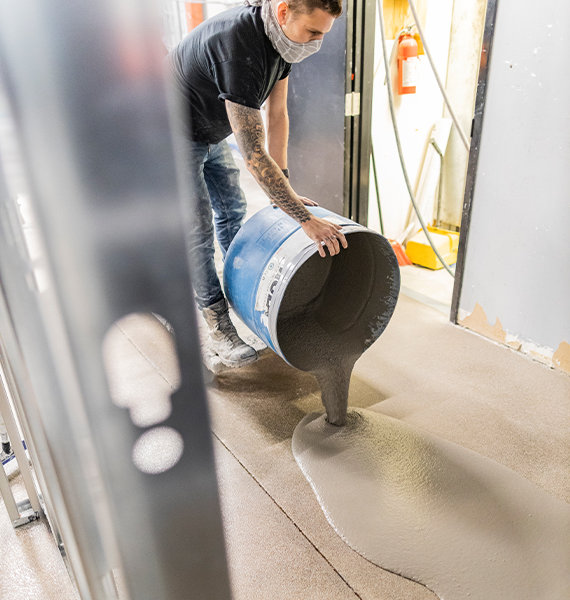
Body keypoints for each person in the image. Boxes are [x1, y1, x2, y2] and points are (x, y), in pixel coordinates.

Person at [169, 0, 347, 369]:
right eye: (313, 32)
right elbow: (253, 155)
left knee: (232, 210)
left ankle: (243, 300)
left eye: (323, 34)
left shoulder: (282, 43)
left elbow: (277, 115)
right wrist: (303, 218)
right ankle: (218, 325)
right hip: (169, 130)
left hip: (209, 126)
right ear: (284, 12)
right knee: (198, 228)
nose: (317, 42)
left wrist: (286, 189)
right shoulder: (240, 47)